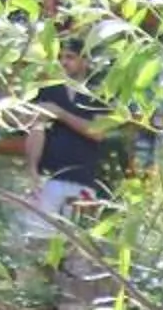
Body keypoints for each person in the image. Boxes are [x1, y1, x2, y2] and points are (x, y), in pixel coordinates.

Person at [26, 49, 113, 219]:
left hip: (83, 181)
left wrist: (60, 113)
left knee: (75, 240)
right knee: (37, 237)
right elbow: (36, 129)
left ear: (86, 61)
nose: (63, 62)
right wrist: (31, 169)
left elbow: (99, 132)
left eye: (70, 57)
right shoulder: (47, 92)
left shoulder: (99, 94)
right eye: (60, 57)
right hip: (47, 179)